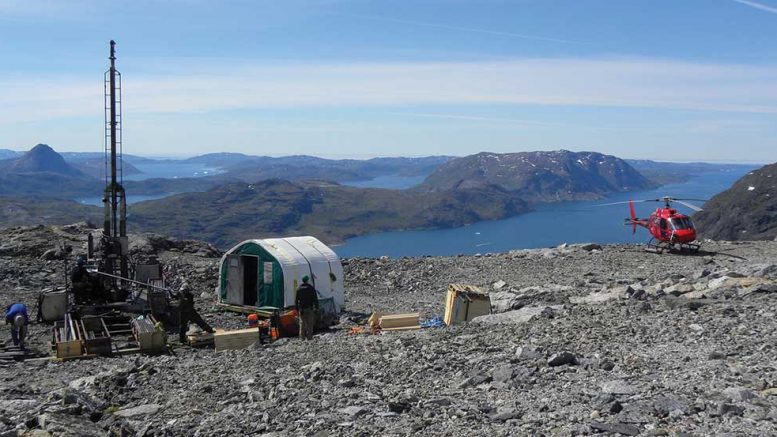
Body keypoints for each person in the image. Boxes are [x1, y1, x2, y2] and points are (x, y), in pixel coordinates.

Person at [295, 275, 319, 340]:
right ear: (308, 280)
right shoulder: (311, 288)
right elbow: (315, 299)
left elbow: (296, 300)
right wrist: (317, 307)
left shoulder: (299, 289)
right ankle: (309, 337)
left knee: (302, 323)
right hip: (309, 308)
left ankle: (302, 338)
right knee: (310, 324)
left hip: (302, 309)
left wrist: (297, 309)